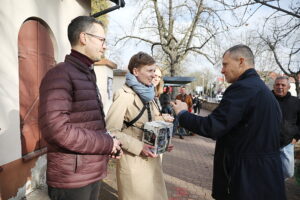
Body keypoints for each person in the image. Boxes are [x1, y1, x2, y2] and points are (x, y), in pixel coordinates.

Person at [171, 44, 286, 200]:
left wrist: (183, 113)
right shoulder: (263, 91)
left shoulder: (243, 88)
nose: (222, 70)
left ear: (241, 61)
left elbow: (212, 127)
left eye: (225, 64)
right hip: (267, 178)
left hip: (246, 181)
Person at [38, 16, 122, 200]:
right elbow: (57, 130)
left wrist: (110, 143)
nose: (104, 46)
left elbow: (87, 125)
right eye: (101, 40)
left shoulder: (86, 73)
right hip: (72, 180)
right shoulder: (60, 75)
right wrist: (106, 143)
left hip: (89, 172)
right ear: (84, 37)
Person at [106, 52, 169, 200]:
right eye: (149, 70)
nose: (154, 75)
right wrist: (139, 147)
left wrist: (164, 141)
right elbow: (110, 130)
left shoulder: (149, 94)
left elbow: (152, 122)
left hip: (151, 161)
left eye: (154, 71)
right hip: (133, 162)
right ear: (135, 71)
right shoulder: (124, 95)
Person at [273, 76, 300, 179]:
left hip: (287, 143)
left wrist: (296, 137)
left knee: (288, 172)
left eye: (283, 85)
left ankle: (276, 182)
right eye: (277, 84)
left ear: (288, 87)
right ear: (274, 86)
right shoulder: (267, 100)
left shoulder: (296, 102)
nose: (280, 87)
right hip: (268, 142)